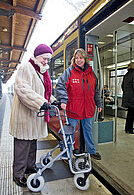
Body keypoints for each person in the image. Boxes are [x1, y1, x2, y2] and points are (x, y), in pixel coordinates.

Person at [10, 44, 57, 187]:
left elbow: (43, 92)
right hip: (24, 116)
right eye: (44, 58)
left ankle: (30, 167)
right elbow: (22, 89)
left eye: (48, 60)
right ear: (37, 56)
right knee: (22, 147)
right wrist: (41, 103)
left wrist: (54, 101)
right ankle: (18, 174)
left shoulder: (41, 72)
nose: (46, 62)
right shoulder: (26, 67)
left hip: (34, 116)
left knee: (32, 145)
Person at [56, 48, 102, 160]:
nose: (79, 60)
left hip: (88, 108)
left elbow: (96, 90)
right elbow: (60, 86)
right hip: (73, 108)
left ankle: (91, 150)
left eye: (81, 58)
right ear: (74, 60)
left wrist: (99, 104)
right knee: (70, 132)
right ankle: (67, 154)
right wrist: (63, 100)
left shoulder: (91, 74)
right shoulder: (69, 72)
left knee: (88, 131)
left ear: (85, 59)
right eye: (76, 58)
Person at [122, 62, 134, 134]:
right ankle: (130, 130)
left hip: (127, 98)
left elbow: (122, 86)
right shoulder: (133, 75)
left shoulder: (126, 75)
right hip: (132, 98)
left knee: (130, 114)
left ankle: (127, 128)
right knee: (132, 114)